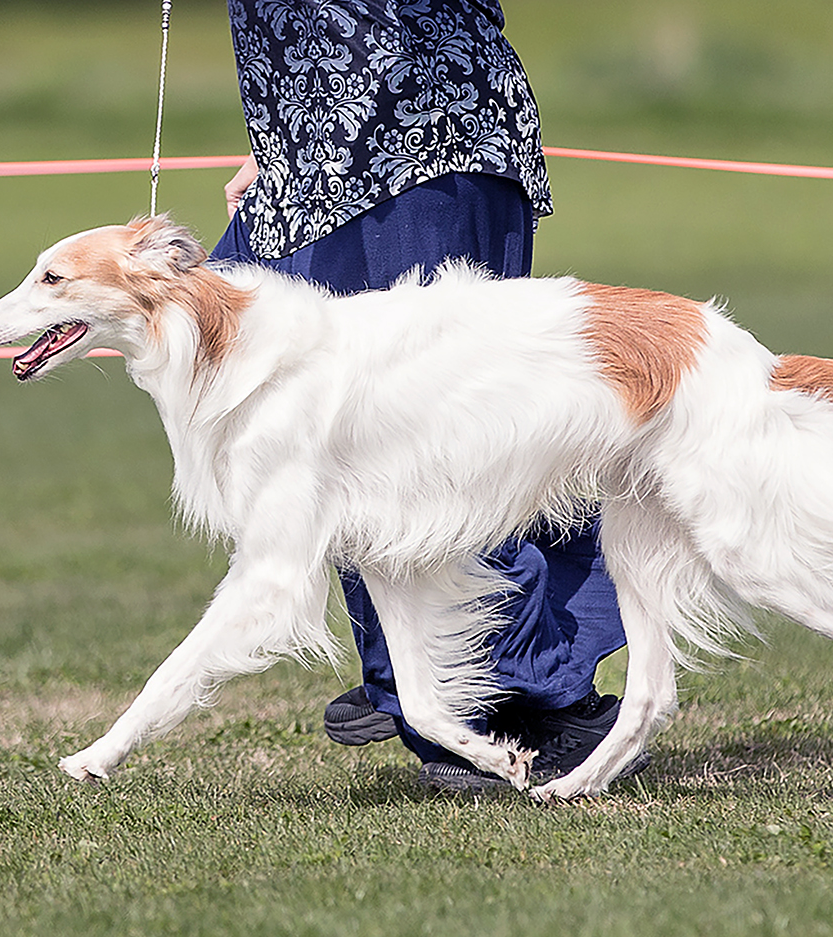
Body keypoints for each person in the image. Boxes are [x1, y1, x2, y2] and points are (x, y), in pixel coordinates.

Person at [211, 0, 644, 791]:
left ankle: (527, 692)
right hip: (314, 154)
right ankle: (420, 673)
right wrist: (275, 136)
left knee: (444, 438)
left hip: (422, 138)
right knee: (286, 408)